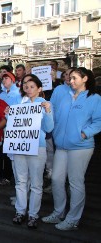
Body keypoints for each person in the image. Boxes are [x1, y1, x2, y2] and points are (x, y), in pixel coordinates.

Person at [42, 67, 101, 231]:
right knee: (56, 180)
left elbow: (98, 121)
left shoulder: (94, 98)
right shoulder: (64, 97)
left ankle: (73, 218)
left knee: (75, 182)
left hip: (81, 147)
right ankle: (58, 212)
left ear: (85, 79)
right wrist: (48, 111)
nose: (70, 80)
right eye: (70, 78)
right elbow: (54, 117)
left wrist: (84, 134)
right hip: (61, 146)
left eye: (74, 78)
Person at [10, 76, 54, 229]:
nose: (28, 89)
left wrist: (47, 111)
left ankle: (33, 214)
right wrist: (9, 114)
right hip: (20, 146)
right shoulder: (19, 105)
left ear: (39, 89)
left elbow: (49, 129)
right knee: (21, 181)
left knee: (36, 183)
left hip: (38, 147)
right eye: (26, 86)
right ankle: (20, 211)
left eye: (32, 86)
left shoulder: (45, 105)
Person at [0, 71, 20, 186]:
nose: (4, 81)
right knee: (0, 151)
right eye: (3, 79)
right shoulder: (1, 95)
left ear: (12, 80)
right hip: (1, 126)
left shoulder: (18, 94)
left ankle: (8, 176)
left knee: (9, 152)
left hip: (12, 127)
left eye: (6, 78)